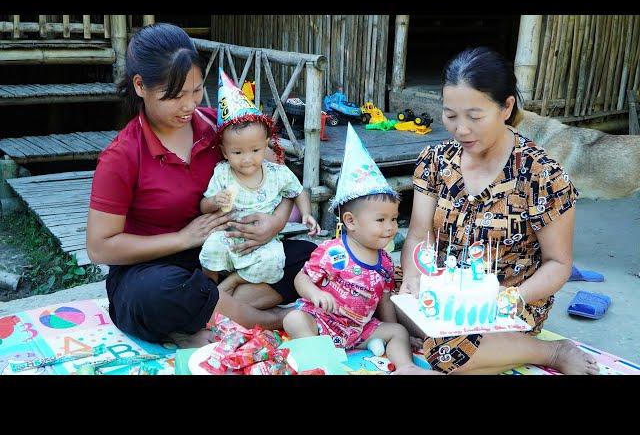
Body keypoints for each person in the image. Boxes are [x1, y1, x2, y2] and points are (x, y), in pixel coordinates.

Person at [86, 23, 316, 348]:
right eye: (175, 96)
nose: (189, 105)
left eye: (195, 91)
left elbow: (282, 179)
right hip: (156, 269)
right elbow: (100, 247)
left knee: (310, 257)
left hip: (228, 254)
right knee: (155, 295)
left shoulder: (218, 129)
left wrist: (274, 224)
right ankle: (271, 319)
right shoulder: (122, 156)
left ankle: (212, 312)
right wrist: (182, 238)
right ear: (140, 86)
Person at [399, 47, 600, 375]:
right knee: (365, 286)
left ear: (506, 107)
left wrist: (512, 297)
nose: (460, 129)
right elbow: (419, 235)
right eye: (451, 116)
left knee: (448, 350)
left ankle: (548, 351)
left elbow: (559, 263)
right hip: (446, 294)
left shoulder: (541, 174)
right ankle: (466, 349)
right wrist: (412, 278)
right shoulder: (436, 160)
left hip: (507, 304)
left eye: (474, 117)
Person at [283, 125, 438, 375]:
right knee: (293, 319)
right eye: (381, 220)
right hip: (323, 322)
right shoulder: (332, 252)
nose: (390, 227)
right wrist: (314, 293)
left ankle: (407, 367)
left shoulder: (385, 262)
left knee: (398, 330)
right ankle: (322, 364)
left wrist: (393, 330)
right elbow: (302, 278)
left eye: (393, 219)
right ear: (351, 222)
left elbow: (384, 301)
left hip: (359, 329)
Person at [199, 70, 319, 299]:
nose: (247, 159)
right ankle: (208, 287)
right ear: (224, 151)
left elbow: (298, 191)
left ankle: (234, 282)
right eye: (237, 152)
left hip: (264, 241)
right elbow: (204, 206)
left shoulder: (276, 173)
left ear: (266, 146)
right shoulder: (223, 173)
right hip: (229, 235)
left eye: (255, 150)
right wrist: (215, 201)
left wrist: (307, 214)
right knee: (211, 248)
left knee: (273, 260)